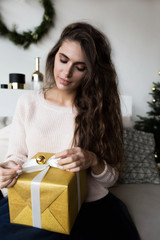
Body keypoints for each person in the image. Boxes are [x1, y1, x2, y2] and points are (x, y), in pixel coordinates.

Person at [0, 22, 140, 240]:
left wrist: (92, 159)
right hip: (38, 199)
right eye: (63, 60)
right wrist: (7, 170)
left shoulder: (100, 109)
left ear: (92, 73)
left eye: (80, 67)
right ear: (54, 55)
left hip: (88, 207)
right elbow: (17, 158)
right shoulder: (28, 102)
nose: (66, 72)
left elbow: (111, 179)